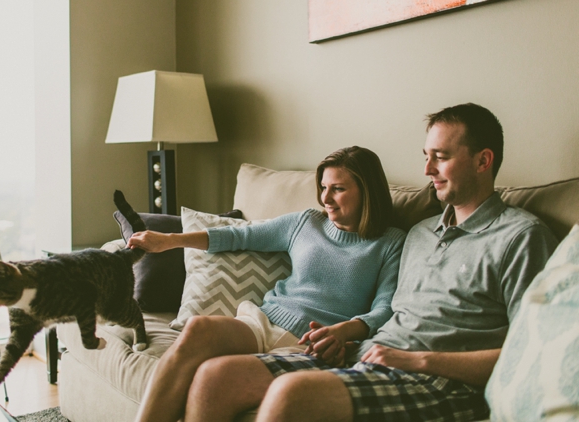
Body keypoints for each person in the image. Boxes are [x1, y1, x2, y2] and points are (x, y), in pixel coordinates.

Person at [181, 103, 559, 422]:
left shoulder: (520, 237)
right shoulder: (420, 234)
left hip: (442, 382)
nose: (427, 171)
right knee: (217, 377)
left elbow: (530, 353)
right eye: (425, 157)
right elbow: (386, 311)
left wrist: (420, 361)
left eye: (440, 158)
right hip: (369, 357)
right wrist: (343, 338)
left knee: (292, 394)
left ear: (483, 161)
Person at [127, 146, 407, 422]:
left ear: (366, 191)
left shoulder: (391, 242)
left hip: (310, 344)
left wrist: (343, 331)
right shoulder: (306, 223)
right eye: (323, 187)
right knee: (199, 327)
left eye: (338, 189)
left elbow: (385, 309)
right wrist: (169, 241)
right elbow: (239, 236)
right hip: (262, 323)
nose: (326, 199)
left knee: (217, 374)